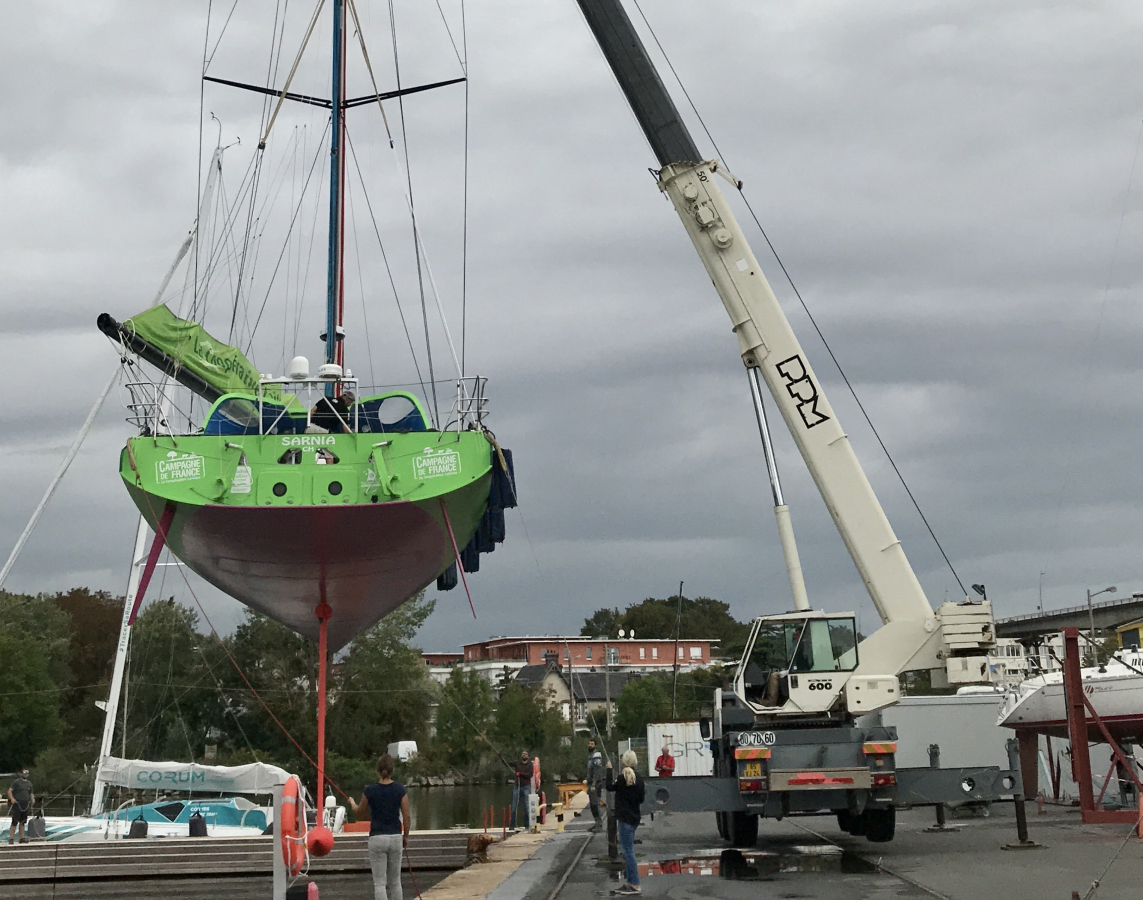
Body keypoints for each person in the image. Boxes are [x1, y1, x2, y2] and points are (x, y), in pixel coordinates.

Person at [351, 754, 410, 900]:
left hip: (377, 838)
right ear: (392, 770)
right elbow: (407, 816)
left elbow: (359, 813)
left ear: (377, 770)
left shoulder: (370, 790)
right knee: (396, 882)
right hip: (395, 837)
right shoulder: (400, 789)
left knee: (379, 884)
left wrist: (352, 803)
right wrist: (406, 837)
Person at [607, 751, 645, 895]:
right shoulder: (639, 779)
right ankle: (630, 882)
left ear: (623, 762)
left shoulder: (622, 779)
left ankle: (635, 884)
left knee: (628, 852)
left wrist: (609, 769)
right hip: (634, 818)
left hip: (624, 819)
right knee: (628, 850)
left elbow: (609, 787)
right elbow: (641, 799)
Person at [508, 750, 534, 830]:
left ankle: (526, 825)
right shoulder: (517, 763)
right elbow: (507, 764)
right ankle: (512, 825)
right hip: (517, 786)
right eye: (523, 754)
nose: (524, 755)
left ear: (528, 756)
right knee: (514, 805)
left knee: (526, 806)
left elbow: (530, 775)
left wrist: (521, 774)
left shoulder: (530, 764)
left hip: (526, 786)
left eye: (525, 754)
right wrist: (500, 757)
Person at [8, 769, 33, 845]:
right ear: (22, 774)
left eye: (27, 773)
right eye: (24, 773)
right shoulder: (17, 782)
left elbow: (31, 793)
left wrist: (32, 799)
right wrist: (12, 798)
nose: (25, 775)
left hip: (25, 804)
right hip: (17, 803)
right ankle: (11, 838)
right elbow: (9, 791)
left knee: (23, 822)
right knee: (14, 821)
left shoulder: (29, 783)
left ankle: (21, 838)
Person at [585, 738, 605, 831]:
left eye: (592, 744)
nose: (590, 745)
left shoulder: (596, 756)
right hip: (591, 783)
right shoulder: (591, 756)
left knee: (595, 804)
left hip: (596, 784)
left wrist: (593, 784)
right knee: (592, 805)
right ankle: (597, 823)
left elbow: (597, 771)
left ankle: (599, 824)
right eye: (589, 743)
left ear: (595, 745)